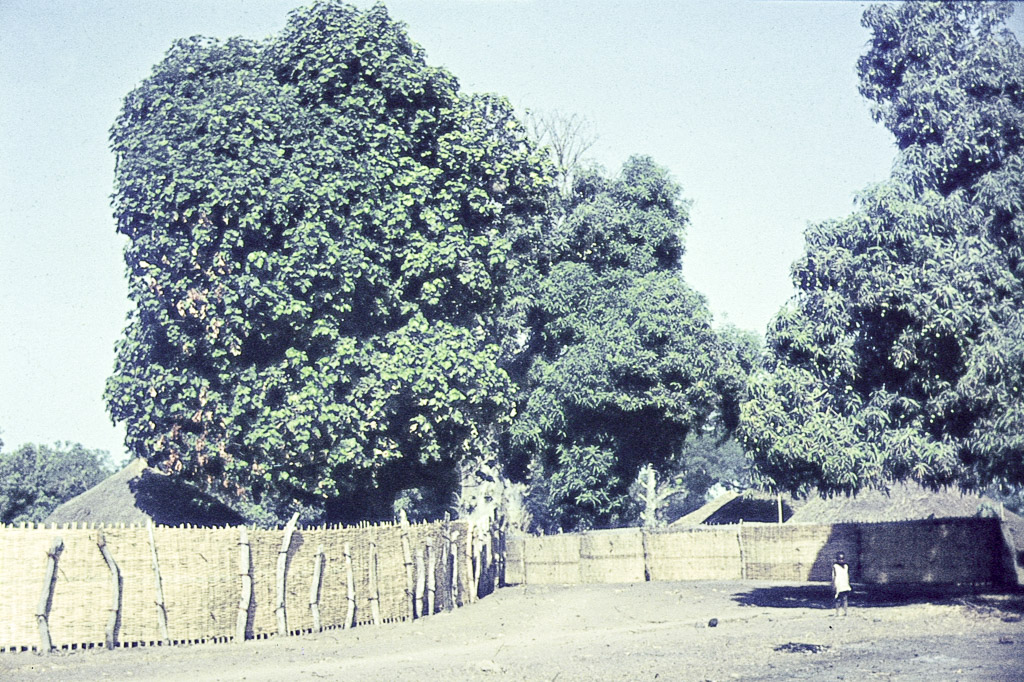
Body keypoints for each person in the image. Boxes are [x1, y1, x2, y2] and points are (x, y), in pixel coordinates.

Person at [832, 551, 851, 616]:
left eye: (842, 559)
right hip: (838, 584)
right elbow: (834, 576)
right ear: (837, 559)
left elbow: (846, 575)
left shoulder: (846, 566)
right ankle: (837, 612)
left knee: (845, 598)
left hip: (845, 584)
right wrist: (834, 584)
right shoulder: (835, 566)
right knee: (838, 599)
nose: (841, 560)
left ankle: (845, 611)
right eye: (839, 559)